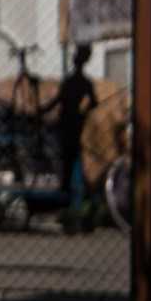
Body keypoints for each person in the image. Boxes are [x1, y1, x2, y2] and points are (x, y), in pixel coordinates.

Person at [49, 45, 97, 225]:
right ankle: (71, 197)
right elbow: (94, 103)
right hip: (73, 124)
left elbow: (57, 101)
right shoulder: (83, 82)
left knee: (69, 159)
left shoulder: (72, 81)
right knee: (72, 158)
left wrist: (42, 109)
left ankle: (69, 196)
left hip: (68, 124)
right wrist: (82, 113)